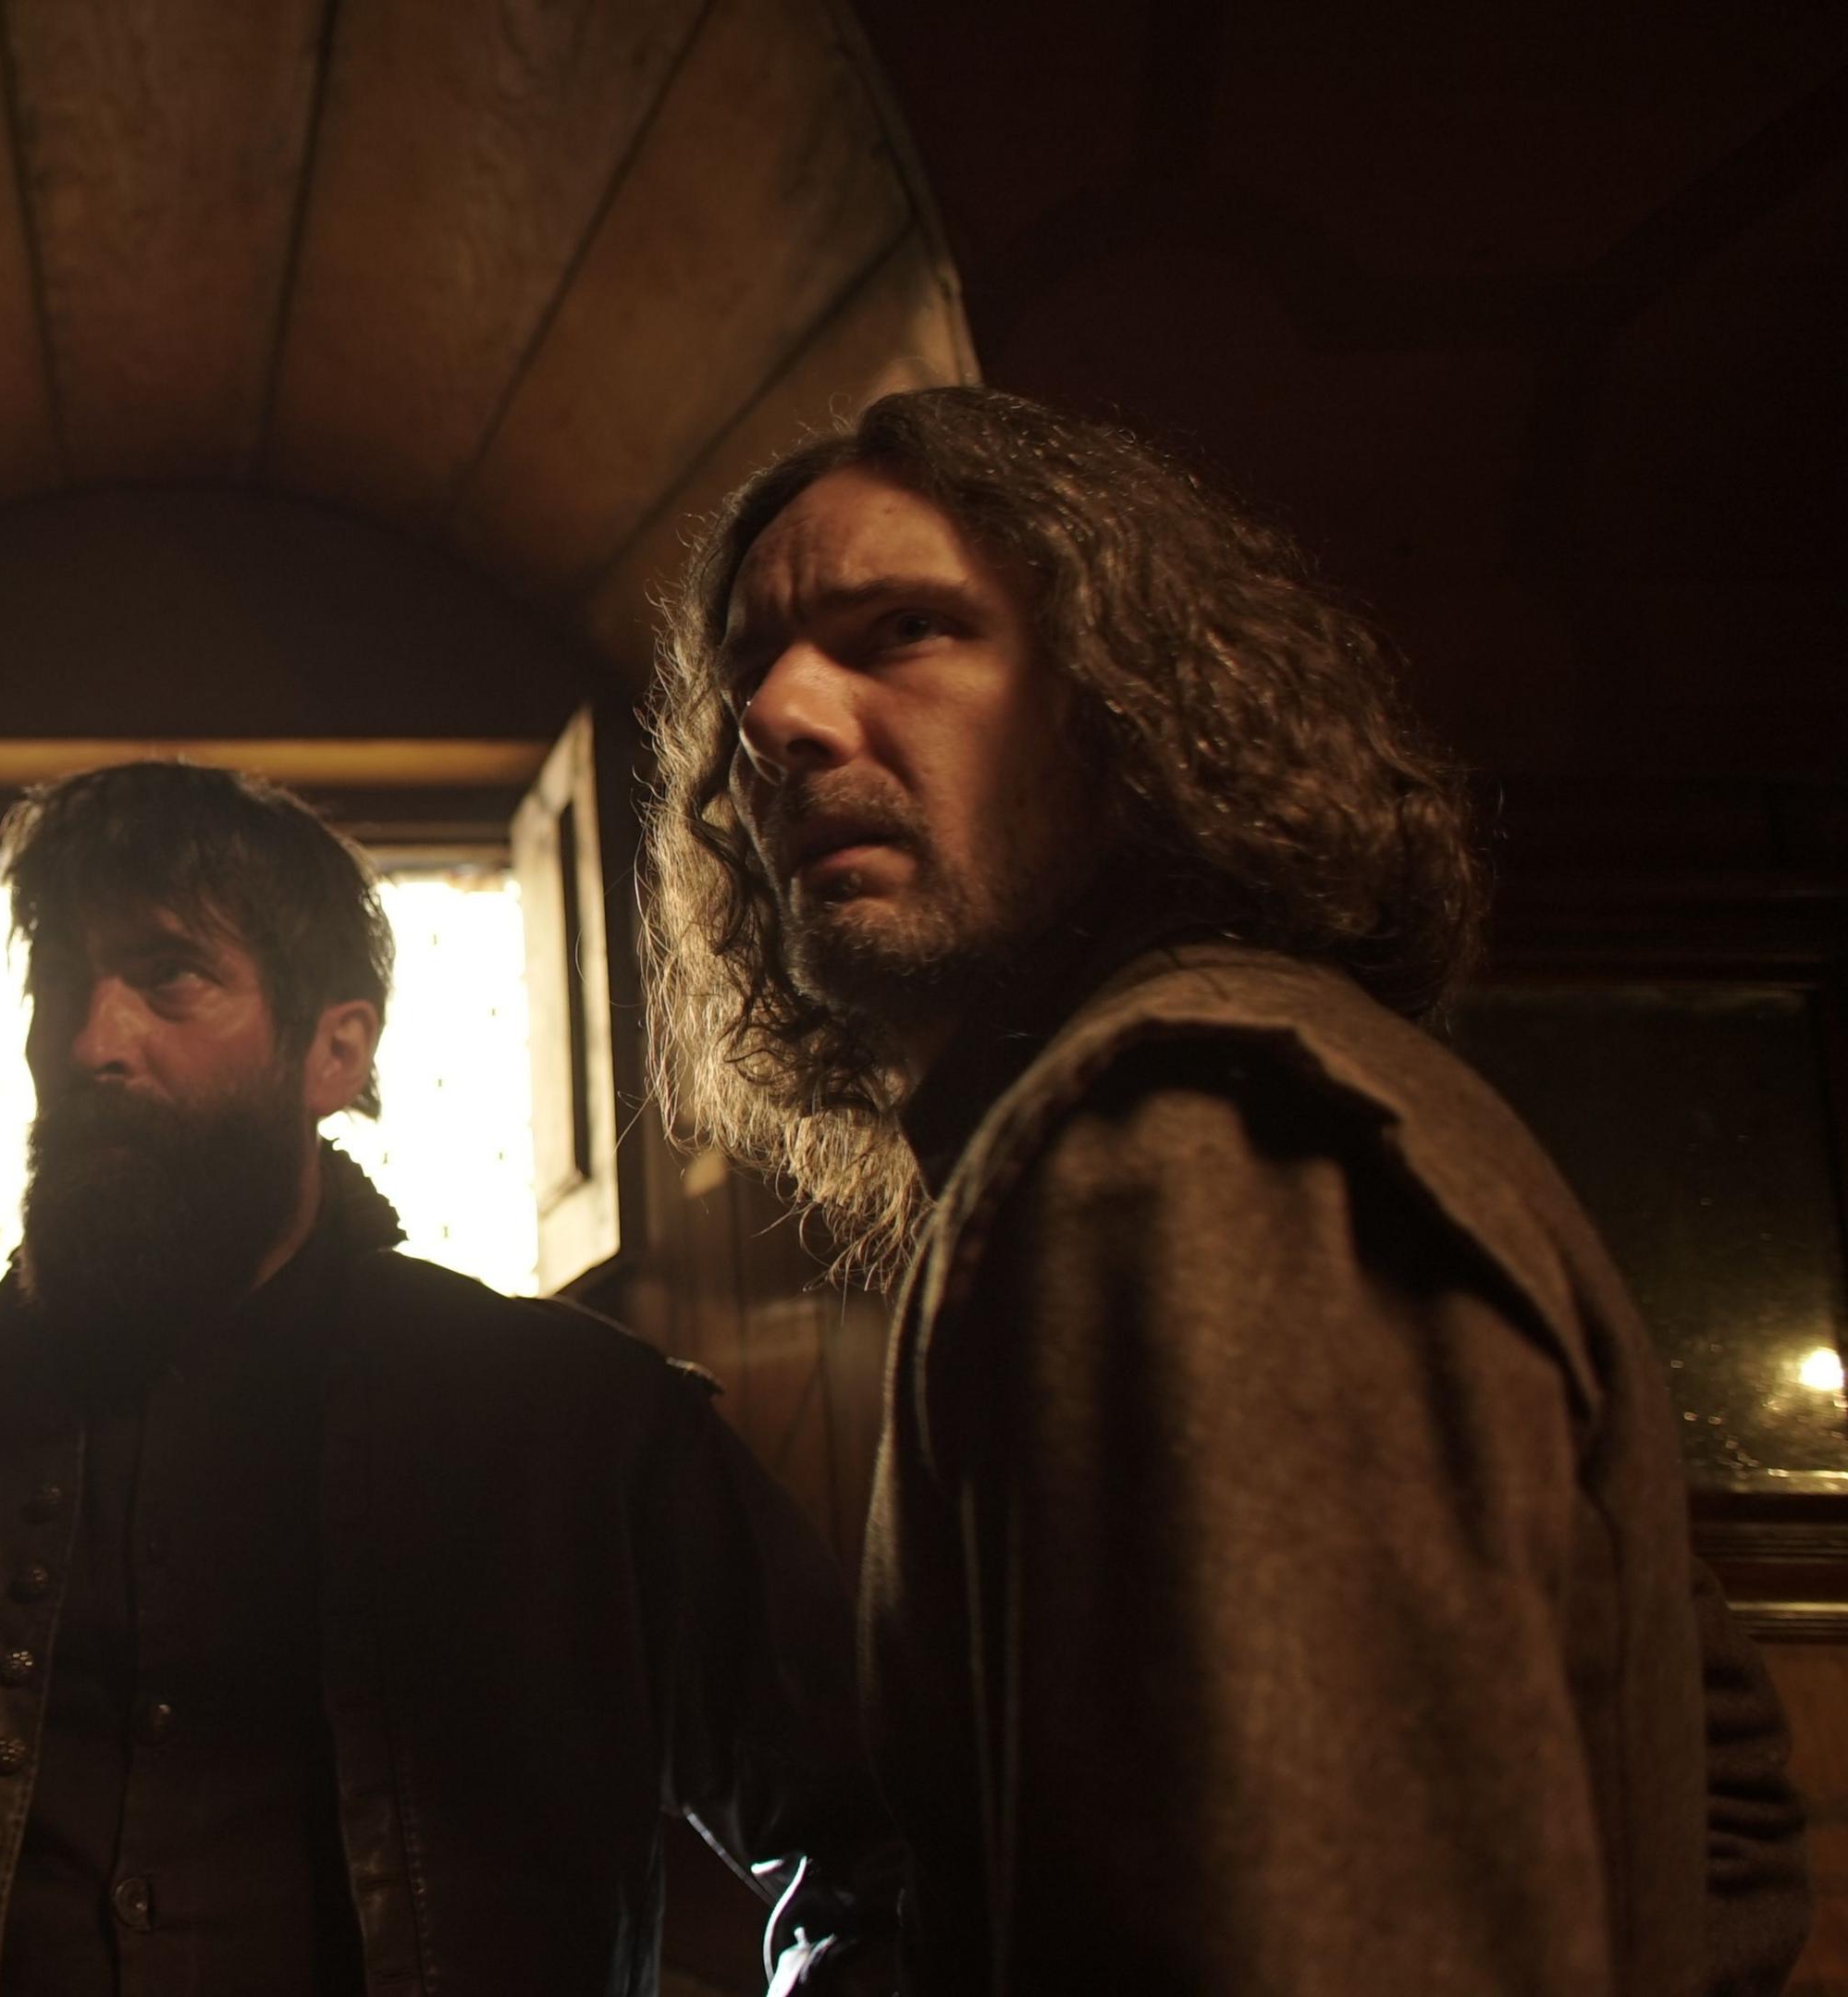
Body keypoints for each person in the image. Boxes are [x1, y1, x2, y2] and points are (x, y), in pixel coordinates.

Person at [640, 383, 1812, 1994]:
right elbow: (1721, 1801)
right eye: (751, 670)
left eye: (902, 629)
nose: (777, 716)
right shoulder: (1187, 1100)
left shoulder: (1190, 1130)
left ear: (1120, 699)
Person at [0, 760, 904, 1997]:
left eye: (170, 975)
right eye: (60, 979)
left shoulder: (579, 1430)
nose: (90, 1041)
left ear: (336, 1051)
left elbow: (892, 1844)